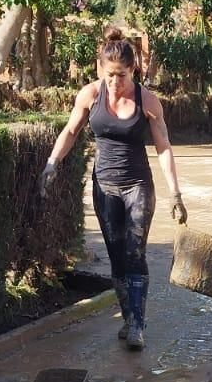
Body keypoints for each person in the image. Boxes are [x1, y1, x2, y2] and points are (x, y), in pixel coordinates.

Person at [42, 27, 187, 350]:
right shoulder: (90, 95)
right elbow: (70, 131)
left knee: (135, 253)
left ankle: (137, 323)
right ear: (99, 68)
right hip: (104, 186)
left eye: (121, 75)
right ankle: (127, 315)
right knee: (116, 258)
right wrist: (52, 162)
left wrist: (175, 192)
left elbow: (163, 146)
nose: (114, 82)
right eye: (109, 75)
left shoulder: (146, 100)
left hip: (138, 185)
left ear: (133, 70)